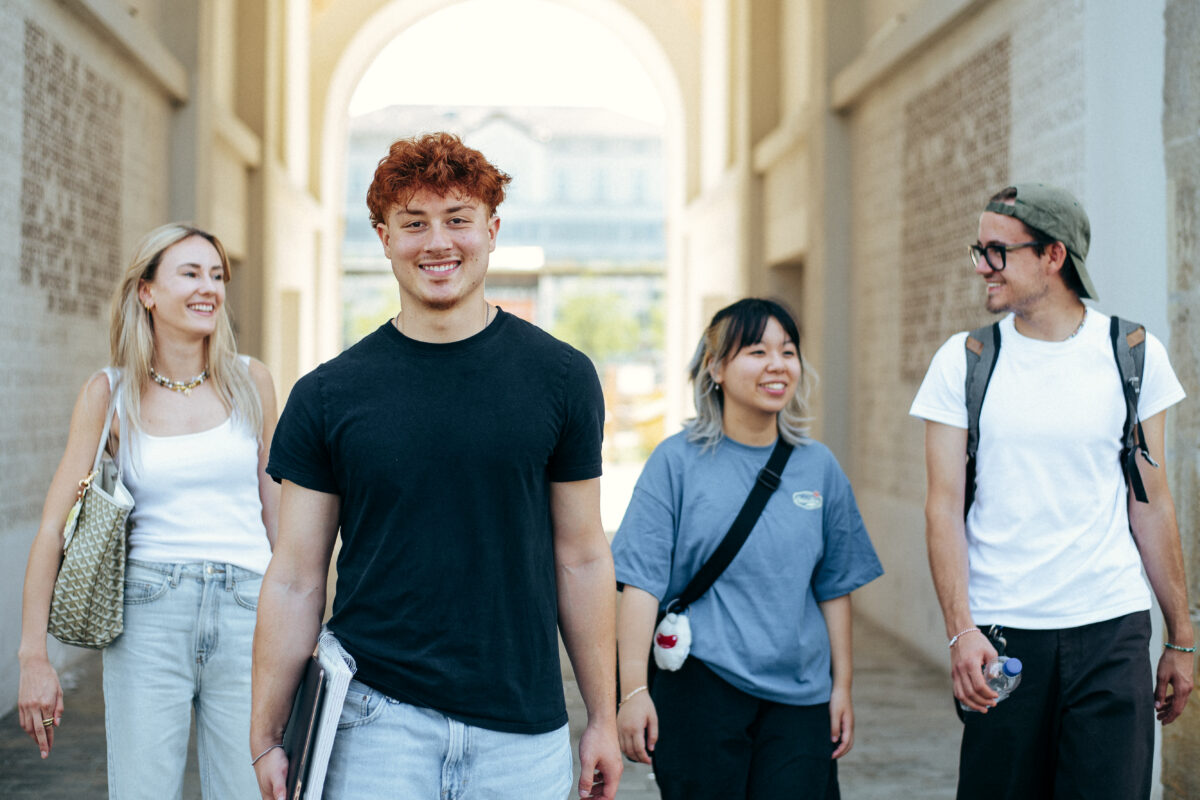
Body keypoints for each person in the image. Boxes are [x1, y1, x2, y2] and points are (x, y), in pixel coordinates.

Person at [250, 132, 622, 800]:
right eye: (414, 223)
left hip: (522, 728)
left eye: (458, 220)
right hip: (374, 722)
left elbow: (584, 556)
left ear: (493, 229)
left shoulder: (562, 378)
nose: (438, 242)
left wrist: (602, 715)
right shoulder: (329, 395)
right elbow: (297, 577)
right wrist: (268, 734)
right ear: (383, 236)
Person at [910, 183, 1193, 799]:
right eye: (978, 250)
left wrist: (1180, 637)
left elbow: (1152, 501)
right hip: (1002, 636)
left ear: (1053, 256)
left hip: (1110, 630)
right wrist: (961, 630)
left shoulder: (1133, 354)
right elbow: (942, 509)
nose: (983, 266)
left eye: (998, 251)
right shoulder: (964, 361)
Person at [17, 223, 279, 798]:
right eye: (189, 273)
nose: (208, 286)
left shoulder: (251, 381)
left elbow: (277, 516)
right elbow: (52, 530)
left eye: (216, 275)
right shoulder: (109, 393)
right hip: (148, 613)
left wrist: (301, 624)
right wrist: (34, 656)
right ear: (147, 292)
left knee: (249, 790)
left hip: (248, 611)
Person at [612, 297, 883, 799]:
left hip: (799, 696)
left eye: (788, 351)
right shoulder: (676, 462)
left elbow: (834, 586)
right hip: (701, 689)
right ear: (715, 367)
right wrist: (633, 692)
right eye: (757, 351)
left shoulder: (818, 467)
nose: (778, 365)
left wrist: (840, 686)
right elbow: (641, 584)